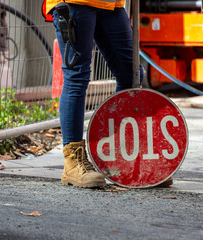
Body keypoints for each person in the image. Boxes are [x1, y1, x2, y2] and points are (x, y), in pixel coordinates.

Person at [42, 0, 173, 188]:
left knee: (132, 73)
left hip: (110, 5)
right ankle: (73, 162)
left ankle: (125, 155)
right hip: (75, 2)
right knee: (77, 76)